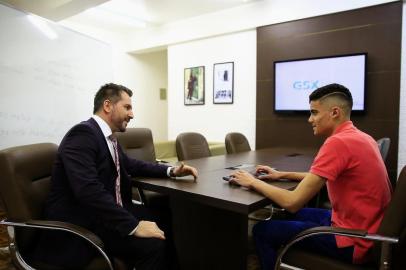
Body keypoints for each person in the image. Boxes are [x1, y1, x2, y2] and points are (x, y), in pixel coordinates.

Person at [33, 83, 198, 269]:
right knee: (153, 244)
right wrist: (134, 226)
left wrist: (171, 170)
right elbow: (88, 191)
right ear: (107, 106)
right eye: (127, 107)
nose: (132, 114)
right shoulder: (82, 135)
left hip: (107, 213)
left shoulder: (108, 137)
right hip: (85, 223)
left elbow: (130, 164)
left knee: (165, 215)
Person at [230, 83, 392, 269]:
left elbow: (293, 201)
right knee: (285, 216)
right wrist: (281, 174)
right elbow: (323, 176)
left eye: (314, 112)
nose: (309, 119)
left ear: (334, 112)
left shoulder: (337, 143)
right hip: (366, 229)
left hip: (354, 240)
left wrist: (252, 182)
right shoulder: (362, 137)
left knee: (262, 230)